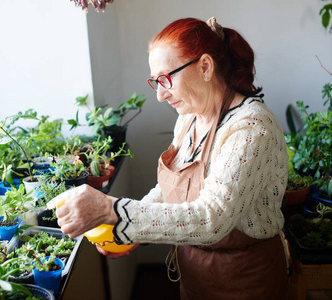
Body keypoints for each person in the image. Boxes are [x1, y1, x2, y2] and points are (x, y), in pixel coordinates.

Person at [52, 17, 289, 300]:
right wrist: (131, 230)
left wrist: (112, 210)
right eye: (155, 82)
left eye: (166, 78)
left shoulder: (250, 129)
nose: (160, 95)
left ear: (204, 67)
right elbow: (168, 191)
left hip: (246, 281)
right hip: (195, 276)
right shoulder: (189, 118)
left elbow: (210, 219)